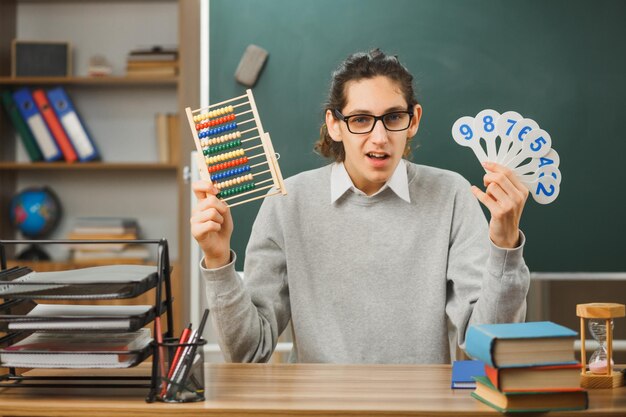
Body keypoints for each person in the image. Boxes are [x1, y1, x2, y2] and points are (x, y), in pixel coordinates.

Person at [191, 49, 530, 364]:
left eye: (393, 117)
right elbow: (250, 351)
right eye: (361, 119)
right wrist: (218, 260)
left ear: (413, 120)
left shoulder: (451, 194)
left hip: (422, 407)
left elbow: (487, 345)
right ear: (335, 125)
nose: (379, 137)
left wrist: (505, 247)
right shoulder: (286, 202)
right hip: (321, 408)